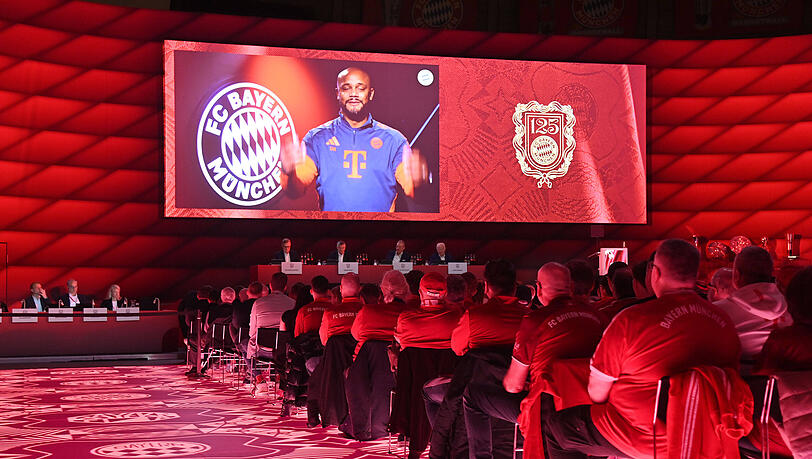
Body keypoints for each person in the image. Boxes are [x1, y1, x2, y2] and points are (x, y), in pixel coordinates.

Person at [542, 239, 741, 459]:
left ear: (655, 273)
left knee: (557, 427)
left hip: (641, 435)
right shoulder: (724, 322)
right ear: (695, 275)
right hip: (704, 433)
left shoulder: (631, 320)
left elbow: (597, 393)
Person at [479, 263, 605, 459]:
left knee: (475, 395)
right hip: (595, 410)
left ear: (538, 288)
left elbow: (513, 385)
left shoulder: (534, 321)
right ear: (570, 287)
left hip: (551, 411)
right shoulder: (597, 316)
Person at [280, 67, 427, 212]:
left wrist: (419, 182)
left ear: (371, 94)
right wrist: (289, 172)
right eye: (346, 88)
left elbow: (414, 192)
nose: (354, 94)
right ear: (338, 93)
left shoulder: (394, 140)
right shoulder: (316, 138)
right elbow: (295, 191)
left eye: (360, 88)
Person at [390, 272, 462, 459]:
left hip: (414, 393)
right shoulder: (456, 317)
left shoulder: (406, 319)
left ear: (420, 293)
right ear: (445, 294)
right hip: (449, 389)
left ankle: (415, 446)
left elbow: (400, 344)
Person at [344, 271, 411, 440]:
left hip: (367, 374)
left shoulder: (368, 312)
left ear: (383, 291)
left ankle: (360, 422)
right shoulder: (412, 314)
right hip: (405, 374)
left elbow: (355, 335)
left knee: (349, 371)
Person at [714, 246, 792, 362]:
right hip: (786, 369)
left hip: (739, 372)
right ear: (772, 273)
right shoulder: (795, 307)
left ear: (736, 275)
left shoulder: (717, 312)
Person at [308, 273, 363, 428]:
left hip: (335, 368)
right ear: (360, 289)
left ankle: (315, 416)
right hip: (362, 364)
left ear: (340, 289)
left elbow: (325, 341)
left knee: (315, 377)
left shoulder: (330, 313)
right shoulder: (366, 311)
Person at [248, 272, 295, 391]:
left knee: (244, 345)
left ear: (270, 286)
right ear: (285, 287)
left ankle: (259, 379)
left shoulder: (258, 303)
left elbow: (251, 332)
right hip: (283, 352)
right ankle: (280, 378)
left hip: (262, 350)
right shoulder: (293, 304)